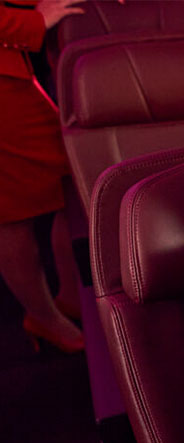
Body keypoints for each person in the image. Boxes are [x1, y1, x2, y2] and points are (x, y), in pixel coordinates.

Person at [0, 0, 84, 353]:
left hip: (13, 71)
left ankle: (69, 297)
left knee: (72, 179)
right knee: (12, 210)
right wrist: (33, 21)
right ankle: (44, 317)